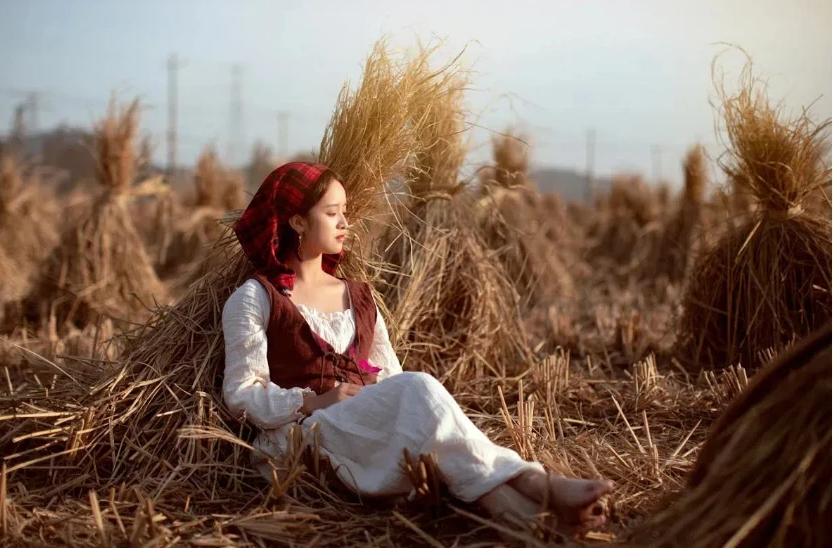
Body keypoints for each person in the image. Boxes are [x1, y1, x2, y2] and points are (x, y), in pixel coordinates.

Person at [222, 162, 613, 532]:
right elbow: (240, 395)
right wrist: (312, 402)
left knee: (418, 402)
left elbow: (389, 375)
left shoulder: (358, 295)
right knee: (420, 388)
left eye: (345, 212)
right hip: (303, 439)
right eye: (332, 213)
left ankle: (517, 508)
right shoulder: (256, 297)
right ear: (297, 221)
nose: (345, 223)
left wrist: (375, 402)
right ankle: (535, 485)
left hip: (364, 426)